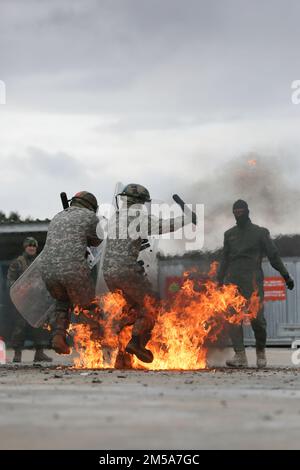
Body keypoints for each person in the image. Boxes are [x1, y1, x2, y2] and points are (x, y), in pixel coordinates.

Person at [103, 183, 196, 363]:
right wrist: (187, 219)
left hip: (109, 275)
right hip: (127, 271)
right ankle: (136, 343)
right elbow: (163, 226)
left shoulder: (115, 217)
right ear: (141, 202)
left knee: (132, 310)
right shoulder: (138, 216)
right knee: (151, 305)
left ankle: (121, 355)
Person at [217, 199, 294, 368]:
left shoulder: (260, 233)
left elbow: (273, 256)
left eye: (241, 211)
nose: (238, 214)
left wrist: (286, 276)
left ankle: (260, 352)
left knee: (257, 320)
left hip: (253, 283)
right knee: (233, 319)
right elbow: (224, 260)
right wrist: (218, 280)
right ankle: (240, 356)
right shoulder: (229, 234)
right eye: (235, 211)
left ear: (247, 211)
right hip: (232, 282)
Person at [39, 191, 103, 355]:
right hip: (73, 269)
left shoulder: (57, 217)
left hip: (47, 270)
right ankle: (96, 347)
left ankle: (58, 337)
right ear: (92, 206)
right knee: (88, 307)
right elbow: (97, 241)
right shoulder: (90, 216)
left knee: (62, 302)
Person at [7, 237, 52, 363]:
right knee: (19, 327)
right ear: (25, 247)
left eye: (34, 246)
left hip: (37, 300)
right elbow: (10, 282)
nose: (32, 248)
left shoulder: (40, 263)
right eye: (29, 245)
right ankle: (17, 354)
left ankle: (40, 353)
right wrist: (22, 289)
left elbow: (46, 279)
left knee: (40, 326)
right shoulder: (17, 263)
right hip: (22, 301)